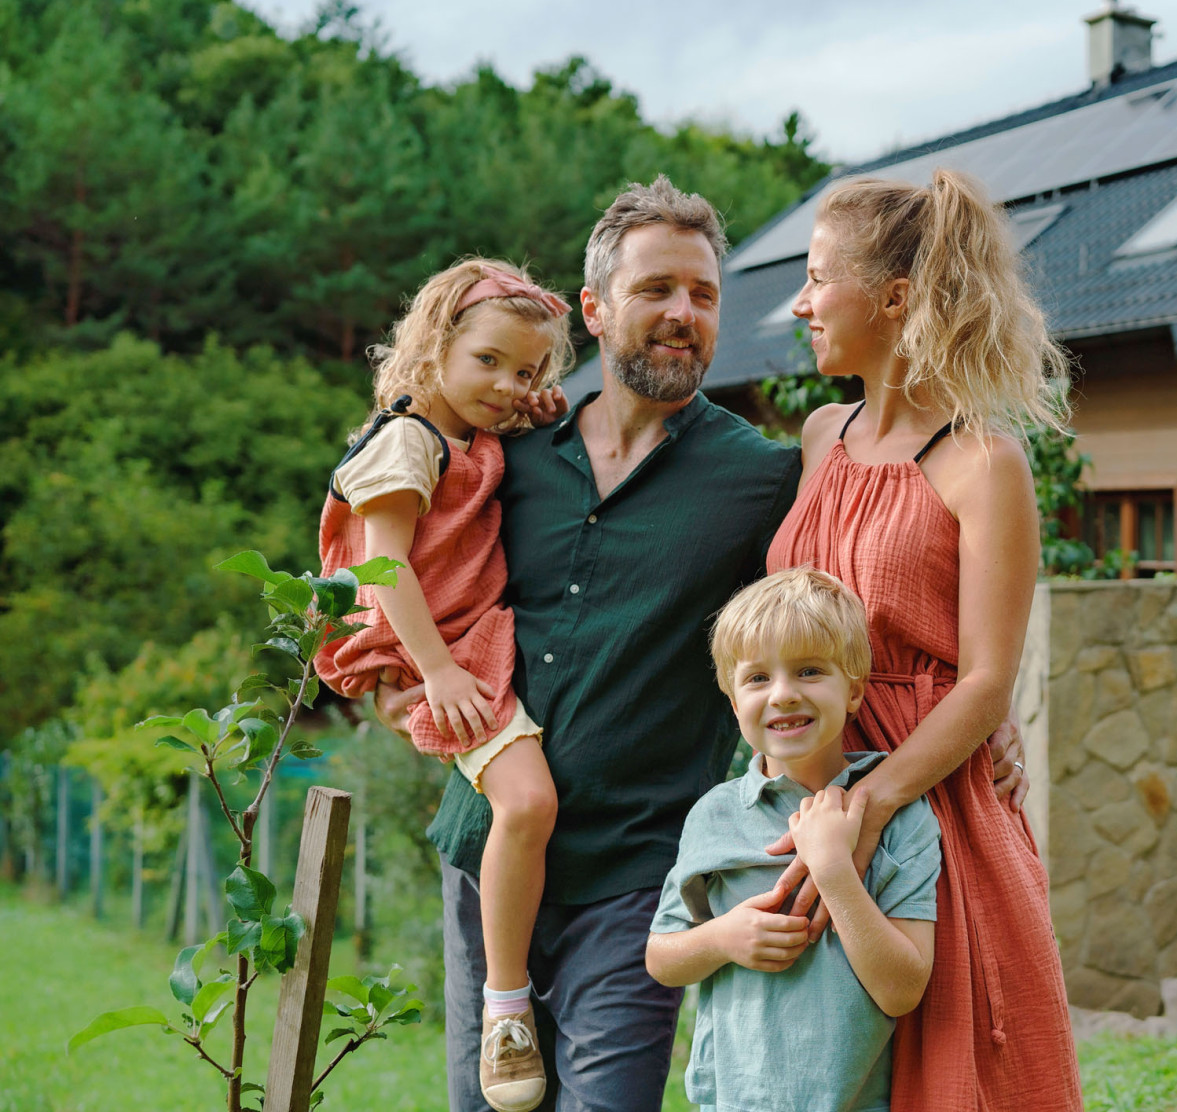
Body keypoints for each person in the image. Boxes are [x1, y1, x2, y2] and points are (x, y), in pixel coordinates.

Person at [374, 175, 1029, 1111]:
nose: (682, 313)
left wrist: (983, 711)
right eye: (655, 290)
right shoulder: (499, 454)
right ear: (594, 310)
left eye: (704, 294)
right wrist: (386, 682)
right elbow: (389, 559)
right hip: (487, 847)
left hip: (640, 865)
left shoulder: (762, 478)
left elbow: (844, 596)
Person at [765, 168, 1084, 1110]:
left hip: (931, 806)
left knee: (954, 1071)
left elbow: (986, 682)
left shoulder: (984, 463)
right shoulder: (820, 435)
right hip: (811, 789)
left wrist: (869, 808)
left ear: (894, 298)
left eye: (818, 278)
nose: (800, 303)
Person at [316, 258, 571, 1112]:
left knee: (524, 804)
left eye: (526, 372)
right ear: (433, 346)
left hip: (465, 639)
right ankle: (506, 1008)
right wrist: (435, 671)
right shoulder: (407, 440)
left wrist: (534, 410)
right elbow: (384, 565)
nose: (507, 386)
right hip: (437, 648)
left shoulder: (469, 433)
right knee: (527, 803)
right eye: (488, 361)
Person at [646, 566, 941, 1112]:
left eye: (809, 671)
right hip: (733, 1100)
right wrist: (721, 939)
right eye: (758, 678)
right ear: (733, 702)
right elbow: (661, 958)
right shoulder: (714, 815)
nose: (783, 695)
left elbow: (902, 991)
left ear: (854, 691)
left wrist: (833, 870)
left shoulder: (902, 816)